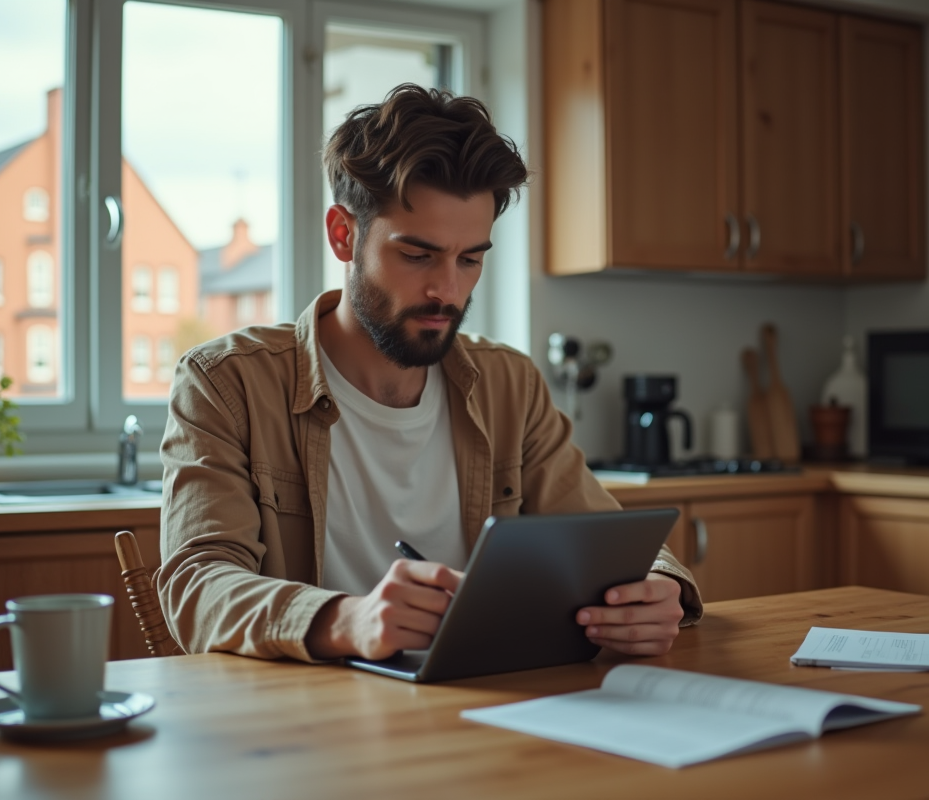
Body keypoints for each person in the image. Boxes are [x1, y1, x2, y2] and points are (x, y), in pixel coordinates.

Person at [156, 84, 702, 664]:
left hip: (488, 707)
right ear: (344, 235)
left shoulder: (509, 385)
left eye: (470, 259)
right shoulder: (225, 384)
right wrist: (348, 619)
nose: (448, 290)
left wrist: (659, 589)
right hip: (304, 725)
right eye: (417, 256)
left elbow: (611, 544)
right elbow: (196, 586)